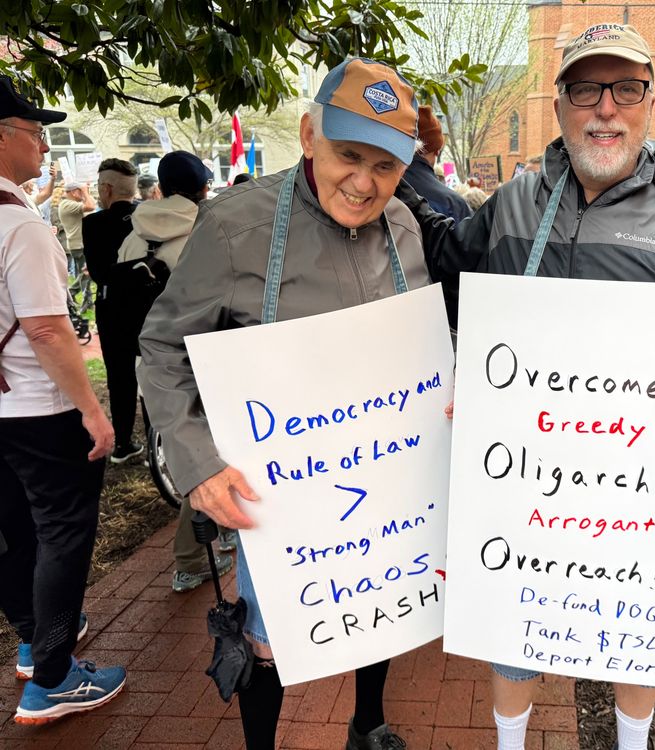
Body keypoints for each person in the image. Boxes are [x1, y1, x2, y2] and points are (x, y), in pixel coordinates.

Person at [397, 23, 655, 750]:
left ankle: (633, 743)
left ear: (651, 104)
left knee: (634, 628)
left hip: (643, 494)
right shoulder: (510, 206)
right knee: (515, 622)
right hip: (526, 484)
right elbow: (442, 279)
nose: (607, 109)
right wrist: (385, 178)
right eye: (588, 89)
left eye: (626, 89)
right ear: (560, 104)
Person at [137, 59, 434, 750]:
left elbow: (419, 342)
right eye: (347, 155)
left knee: (379, 606)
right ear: (309, 135)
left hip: (382, 472)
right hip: (281, 486)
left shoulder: (406, 230)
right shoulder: (236, 225)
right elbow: (162, 347)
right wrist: (198, 463)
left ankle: (368, 721)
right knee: (267, 642)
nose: (363, 183)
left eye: (385, 167)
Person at [0, 74, 126, 724]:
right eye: (33, 130)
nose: (44, 144)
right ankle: (51, 677)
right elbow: (48, 327)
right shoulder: (20, 227)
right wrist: (91, 409)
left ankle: (33, 640)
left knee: (16, 534)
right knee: (63, 535)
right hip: (39, 411)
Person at [118, 151, 238, 590]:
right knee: (209, 456)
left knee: (179, 451)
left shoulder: (135, 234)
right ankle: (191, 557)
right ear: (204, 188)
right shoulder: (213, 231)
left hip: (152, 365)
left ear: (161, 189)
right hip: (204, 365)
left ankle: (211, 539)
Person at [82, 158, 145, 463]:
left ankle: (123, 441)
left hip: (113, 311)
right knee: (152, 374)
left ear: (106, 189)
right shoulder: (150, 218)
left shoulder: (93, 224)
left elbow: (98, 272)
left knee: (120, 378)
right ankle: (158, 439)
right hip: (150, 307)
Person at [58, 179, 97, 308]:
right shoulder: (67, 204)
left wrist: (85, 191)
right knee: (87, 273)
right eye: (80, 191)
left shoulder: (70, 203)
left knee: (85, 273)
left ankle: (87, 301)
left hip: (79, 244)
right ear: (74, 192)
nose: (83, 194)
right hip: (78, 245)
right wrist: (85, 191)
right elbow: (91, 206)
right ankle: (72, 293)